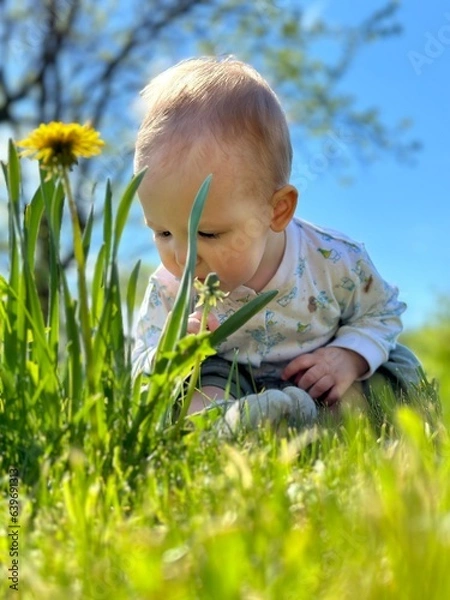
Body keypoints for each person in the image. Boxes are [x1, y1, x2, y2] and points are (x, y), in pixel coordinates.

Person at [131, 56, 421, 432]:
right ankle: (228, 429)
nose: (182, 258)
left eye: (208, 234)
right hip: (231, 387)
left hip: (317, 379)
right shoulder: (168, 288)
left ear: (277, 211)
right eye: (162, 233)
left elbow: (381, 313)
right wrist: (171, 353)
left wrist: (347, 357)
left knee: (399, 366)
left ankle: (318, 422)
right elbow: (139, 364)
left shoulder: (331, 259)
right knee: (197, 383)